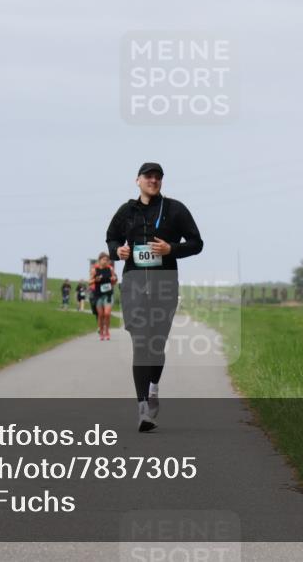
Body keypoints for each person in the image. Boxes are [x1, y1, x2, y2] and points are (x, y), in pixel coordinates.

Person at [106, 162, 203, 432]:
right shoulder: (126, 212)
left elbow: (197, 243)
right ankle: (142, 410)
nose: (153, 180)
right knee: (141, 343)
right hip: (134, 285)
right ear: (137, 180)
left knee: (156, 345)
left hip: (164, 286)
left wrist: (171, 248)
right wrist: (117, 252)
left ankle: (153, 390)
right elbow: (111, 238)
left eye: (158, 177)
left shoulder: (175, 210)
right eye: (148, 176)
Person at [90, 253, 118, 340]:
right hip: (98, 295)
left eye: (107, 260)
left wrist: (114, 279)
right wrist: (95, 280)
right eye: (104, 260)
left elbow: (114, 281)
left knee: (107, 314)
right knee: (100, 315)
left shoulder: (110, 269)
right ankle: (101, 332)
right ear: (99, 260)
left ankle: (107, 331)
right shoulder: (95, 269)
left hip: (108, 294)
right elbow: (89, 282)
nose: (105, 261)